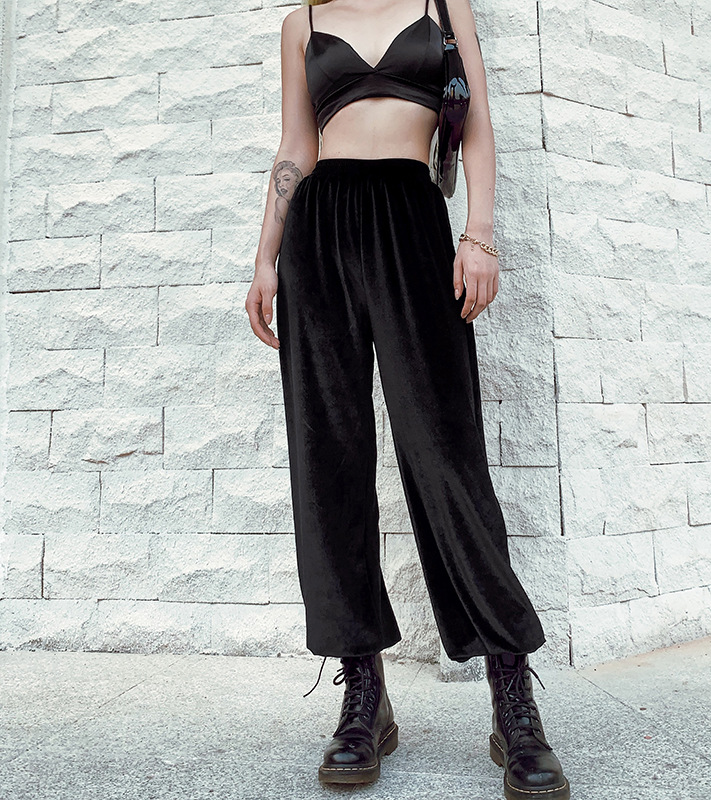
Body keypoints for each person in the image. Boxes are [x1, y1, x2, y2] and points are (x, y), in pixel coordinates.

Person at [244, 1, 570, 798]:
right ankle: (363, 693)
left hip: (413, 221)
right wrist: (265, 258)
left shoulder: (443, 5)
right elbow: (295, 146)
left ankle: (512, 696)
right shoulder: (303, 20)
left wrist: (479, 232)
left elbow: (476, 123)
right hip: (319, 233)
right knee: (329, 460)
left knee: (447, 455)